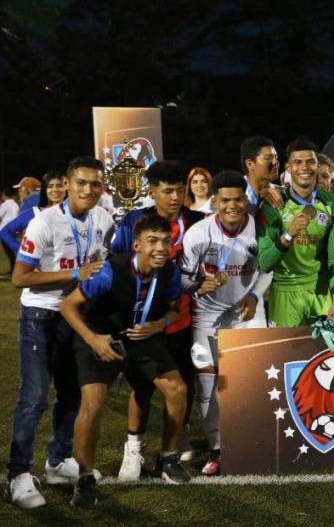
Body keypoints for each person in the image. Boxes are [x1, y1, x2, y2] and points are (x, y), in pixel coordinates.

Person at [60, 214, 191, 507]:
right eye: (152, 241)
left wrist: (159, 325)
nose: (161, 248)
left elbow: (174, 311)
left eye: (166, 241)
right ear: (136, 245)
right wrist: (93, 339)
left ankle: (168, 459)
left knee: (177, 389)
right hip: (101, 336)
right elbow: (67, 306)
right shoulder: (109, 271)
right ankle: (84, 478)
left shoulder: (169, 272)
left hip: (142, 336)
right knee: (93, 405)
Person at [7, 156, 114, 509]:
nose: (88, 190)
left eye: (95, 184)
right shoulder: (44, 222)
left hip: (77, 316)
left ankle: (56, 461)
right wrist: (74, 275)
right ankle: (19, 475)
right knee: (35, 396)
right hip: (41, 316)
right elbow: (20, 277)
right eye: (81, 183)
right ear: (67, 184)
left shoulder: (104, 220)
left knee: (70, 393)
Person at [109, 160, 206, 473]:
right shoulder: (134, 222)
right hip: (142, 322)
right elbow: (119, 266)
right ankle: (133, 449)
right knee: (142, 387)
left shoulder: (197, 221)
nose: (175, 197)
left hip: (182, 317)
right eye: (167, 191)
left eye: (180, 190)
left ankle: (180, 436)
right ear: (152, 192)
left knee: (184, 381)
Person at [179, 170, 271, 476]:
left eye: (238, 199)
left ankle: (251, 442)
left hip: (248, 312)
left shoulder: (260, 228)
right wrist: (196, 286)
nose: (233, 206)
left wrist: (256, 297)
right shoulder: (197, 234)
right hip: (207, 315)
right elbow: (183, 277)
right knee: (208, 379)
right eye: (225, 200)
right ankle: (218, 448)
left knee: (253, 379)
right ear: (215, 201)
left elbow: (269, 268)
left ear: (246, 199)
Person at [257, 137, 334, 327]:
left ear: (317, 165)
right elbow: (265, 263)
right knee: (285, 356)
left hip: (321, 293)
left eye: (310, 161)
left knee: (326, 356)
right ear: (288, 167)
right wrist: (288, 235)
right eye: (297, 162)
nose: (304, 167)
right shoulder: (274, 204)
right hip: (284, 292)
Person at [1, 172, 67, 264]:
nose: (19, 192)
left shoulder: (30, 203)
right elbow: (5, 231)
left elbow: (5, 231)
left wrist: (21, 250)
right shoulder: (34, 209)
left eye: (21, 189)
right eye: (50, 186)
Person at [241, 136, 285, 215]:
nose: (275, 162)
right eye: (268, 158)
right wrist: (259, 199)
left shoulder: (284, 194)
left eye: (276, 157)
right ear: (250, 164)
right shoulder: (230, 194)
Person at [0, 186, 20, 276]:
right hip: (13, 230)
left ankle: (13, 270)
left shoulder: (5, 205)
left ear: (4, 194)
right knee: (12, 250)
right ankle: (14, 269)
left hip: (4, 231)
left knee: (9, 252)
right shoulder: (15, 204)